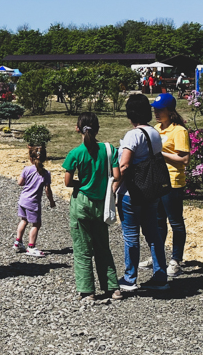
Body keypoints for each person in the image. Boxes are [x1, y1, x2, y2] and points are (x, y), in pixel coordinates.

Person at [62, 112, 123, 302]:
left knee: (82, 249)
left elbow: (67, 181)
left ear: (77, 128)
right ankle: (112, 287)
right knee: (102, 247)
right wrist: (109, 190)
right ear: (97, 129)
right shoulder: (109, 149)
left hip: (81, 202)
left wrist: (81, 184)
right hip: (101, 203)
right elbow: (117, 176)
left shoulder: (75, 153)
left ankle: (87, 290)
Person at [117, 93, 169, 291]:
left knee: (131, 235)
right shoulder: (154, 133)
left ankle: (130, 278)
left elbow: (125, 165)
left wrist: (114, 185)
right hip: (152, 190)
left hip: (132, 192)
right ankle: (160, 275)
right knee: (153, 234)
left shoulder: (133, 135)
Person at [152, 93, 190, 277]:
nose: (156, 113)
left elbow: (184, 159)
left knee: (175, 221)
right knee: (158, 221)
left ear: (170, 111)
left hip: (173, 181)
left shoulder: (179, 131)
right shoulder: (156, 129)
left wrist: (161, 154)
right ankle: (157, 256)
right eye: (155, 109)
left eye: (160, 110)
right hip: (156, 180)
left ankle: (176, 260)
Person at [13, 146, 56, 257]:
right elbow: (47, 190)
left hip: (23, 200)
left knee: (23, 220)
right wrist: (51, 201)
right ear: (44, 158)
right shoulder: (46, 173)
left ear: (30, 158)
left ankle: (18, 241)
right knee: (36, 224)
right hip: (33, 202)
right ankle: (31, 247)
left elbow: (20, 183)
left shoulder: (26, 169)